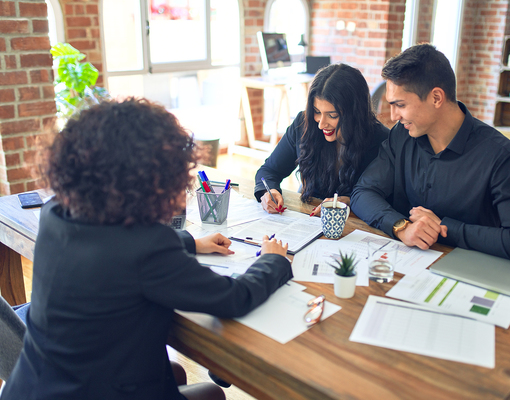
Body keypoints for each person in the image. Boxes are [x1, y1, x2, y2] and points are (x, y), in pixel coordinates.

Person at [1, 98, 293, 400]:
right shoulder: (148, 247)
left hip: (35, 386)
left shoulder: (56, 213)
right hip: (95, 391)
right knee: (211, 393)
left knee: (175, 373)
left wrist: (191, 242)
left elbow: (110, 251)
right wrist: (273, 261)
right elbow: (234, 298)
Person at [351, 44, 510, 266]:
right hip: (407, 264)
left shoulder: (500, 156)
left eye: (400, 105)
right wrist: (401, 227)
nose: (394, 116)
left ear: (436, 97)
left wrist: (445, 228)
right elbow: (363, 192)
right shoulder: (402, 135)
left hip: (472, 272)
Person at [254, 63, 389, 215]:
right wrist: (268, 191)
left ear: (355, 114)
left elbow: (388, 200)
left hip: (356, 226)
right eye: (317, 111)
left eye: (332, 115)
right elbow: (269, 170)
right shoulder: (303, 124)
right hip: (309, 221)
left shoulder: (382, 140)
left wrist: (351, 202)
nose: (321, 124)